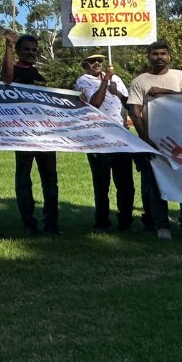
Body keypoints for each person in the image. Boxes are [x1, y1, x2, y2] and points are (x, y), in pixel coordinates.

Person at [127, 41, 182, 241]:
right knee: (156, 184)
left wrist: (163, 91)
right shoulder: (139, 81)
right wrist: (145, 140)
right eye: (155, 53)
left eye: (163, 53)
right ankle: (162, 225)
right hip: (153, 141)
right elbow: (134, 112)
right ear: (148, 56)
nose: (159, 57)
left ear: (169, 56)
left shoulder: (181, 76)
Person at [0, 32, 60, 235]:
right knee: (24, 179)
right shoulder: (15, 70)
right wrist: (8, 47)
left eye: (34, 50)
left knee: (50, 180)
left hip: (46, 134)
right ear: (18, 51)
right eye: (26, 49)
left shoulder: (38, 75)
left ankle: (51, 223)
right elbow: (6, 79)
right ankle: (29, 223)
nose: (31, 53)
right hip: (23, 134)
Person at [75, 52, 136, 232]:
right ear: (85, 64)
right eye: (92, 61)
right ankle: (102, 221)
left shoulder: (116, 78)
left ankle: (126, 221)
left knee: (125, 183)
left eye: (100, 60)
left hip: (120, 136)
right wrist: (105, 81)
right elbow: (95, 103)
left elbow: (128, 102)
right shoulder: (83, 80)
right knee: (102, 183)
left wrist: (116, 90)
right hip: (99, 136)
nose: (97, 63)